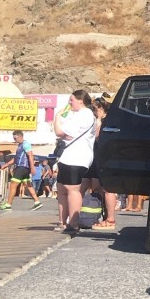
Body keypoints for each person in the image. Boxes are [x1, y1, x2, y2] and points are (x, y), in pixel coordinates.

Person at [53, 90, 97, 235]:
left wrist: (57, 117)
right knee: (62, 189)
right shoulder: (77, 115)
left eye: (71, 100)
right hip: (68, 156)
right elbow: (64, 133)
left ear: (80, 100)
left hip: (76, 157)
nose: (69, 103)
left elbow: (59, 132)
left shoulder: (85, 115)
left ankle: (73, 222)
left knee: (72, 189)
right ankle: (63, 221)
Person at [83, 95, 117, 230]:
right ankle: (100, 214)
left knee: (107, 189)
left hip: (103, 158)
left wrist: (98, 120)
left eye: (95, 109)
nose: (93, 111)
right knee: (97, 187)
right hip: (96, 157)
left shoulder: (106, 121)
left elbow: (97, 137)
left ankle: (110, 218)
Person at [0, 130, 41, 210]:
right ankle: (37, 202)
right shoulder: (20, 146)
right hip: (22, 167)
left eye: (15, 138)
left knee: (13, 185)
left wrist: (32, 168)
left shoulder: (26, 144)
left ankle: (8, 204)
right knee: (28, 185)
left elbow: (31, 156)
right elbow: (16, 158)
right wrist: (6, 165)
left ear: (20, 136)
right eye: (13, 138)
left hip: (22, 167)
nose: (14, 140)